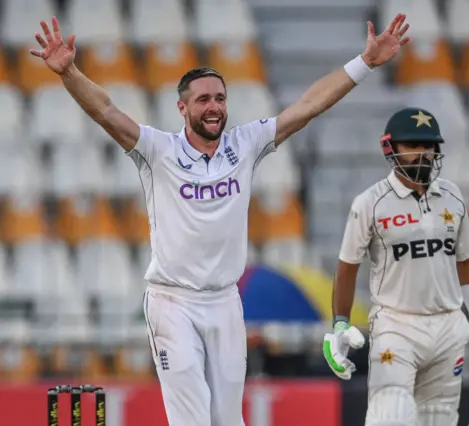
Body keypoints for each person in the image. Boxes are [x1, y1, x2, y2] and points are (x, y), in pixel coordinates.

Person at [29, 13, 410, 426]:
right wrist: (69, 73)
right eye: (204, 100)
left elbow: (308, 106)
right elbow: (105, 111)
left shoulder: (245, 144)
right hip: (172, 301)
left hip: (226, 301)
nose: (214, 107)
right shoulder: (158, 151)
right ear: (182, 107)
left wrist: (365, 63)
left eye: (220, 98)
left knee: (229, 421)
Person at [323, 108, 469, 426]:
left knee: (438, 419)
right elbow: (347, 267)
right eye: (412, 146)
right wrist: (340, 324)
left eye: (429, 146)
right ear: (390, 149)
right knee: (389, 415)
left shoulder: (453, 196)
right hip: (396, 325)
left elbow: (466, 262)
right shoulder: (370, 203)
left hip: (449, 325)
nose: (422, 154)